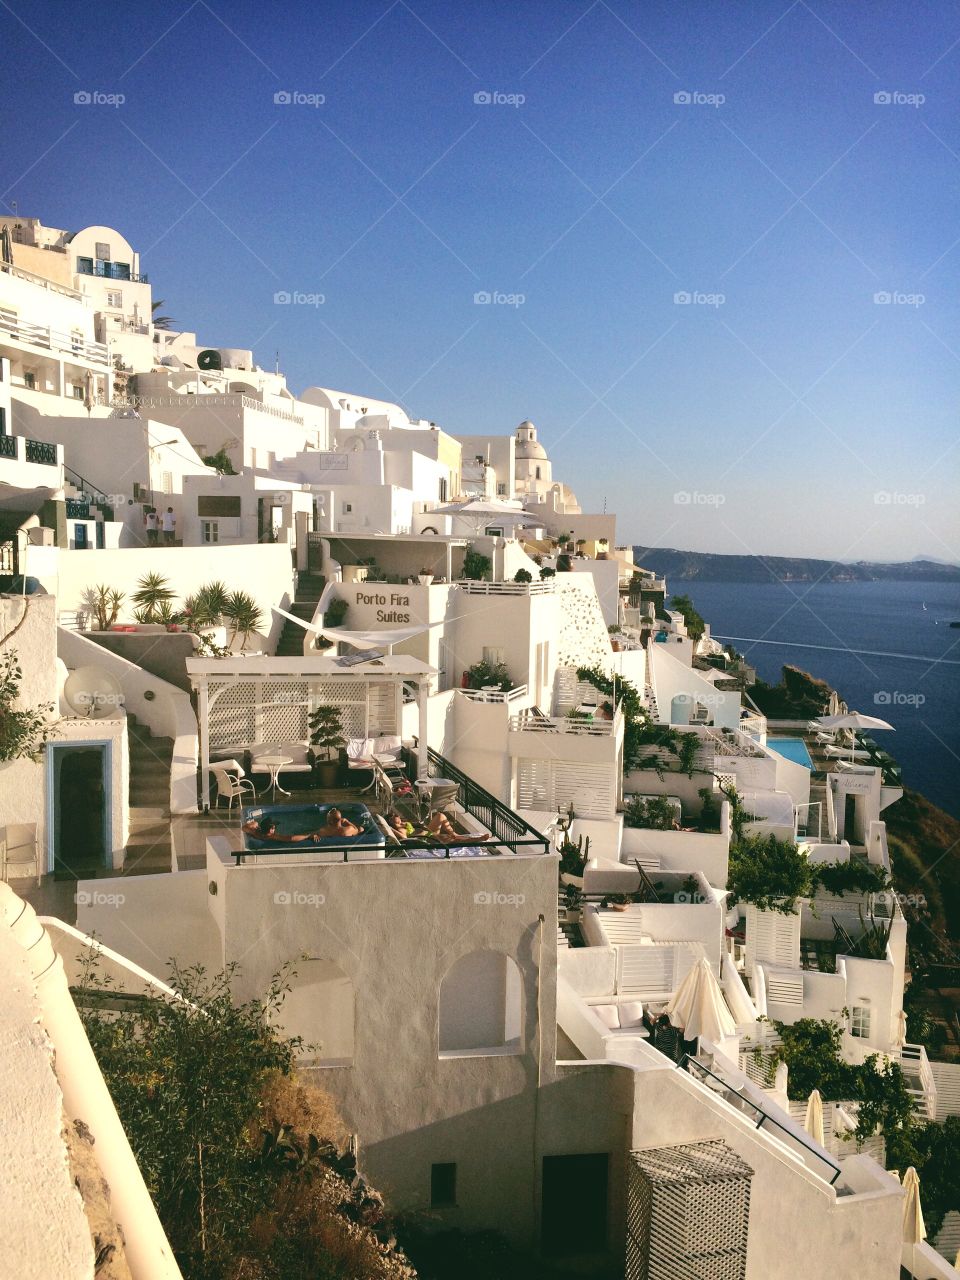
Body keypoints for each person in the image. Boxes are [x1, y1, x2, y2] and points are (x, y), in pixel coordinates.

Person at [242, 817, 314, 843]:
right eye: (274, 828)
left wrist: (255, 825)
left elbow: (244, 828)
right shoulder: (272, 836)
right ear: (270, 830)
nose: (275, 828)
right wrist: (307, 836)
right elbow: (290, 838)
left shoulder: (255, 832)